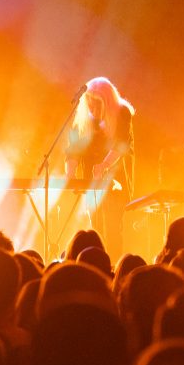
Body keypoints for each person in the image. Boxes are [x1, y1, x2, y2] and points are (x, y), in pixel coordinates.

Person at [65, 77, 135, 259]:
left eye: (96, 106)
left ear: (107, 102)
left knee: (112, 228)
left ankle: (113, 266)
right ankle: (97, 264)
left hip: (115, 181)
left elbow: (121, 144)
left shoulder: (122, 113)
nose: (92, 110)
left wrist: (104, 165)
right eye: (89, 105)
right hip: (91, 183)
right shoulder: (85, 118)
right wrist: (70, 173)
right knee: (95, 230)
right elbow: (73, 149)